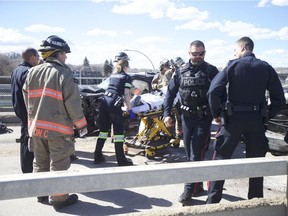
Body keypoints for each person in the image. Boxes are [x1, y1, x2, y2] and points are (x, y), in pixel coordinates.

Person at [206, 36, 286, 204]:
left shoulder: (232, 65)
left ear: (242, 48)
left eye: (235, 50)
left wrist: (217, 114)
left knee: (221, 159)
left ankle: (212, 203)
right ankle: (255, 203)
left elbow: (213, 91)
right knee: (256, 163)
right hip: (257, 121)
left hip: (232, 120)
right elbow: (279, 100)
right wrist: (266, 115)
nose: (234, 53)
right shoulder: (266, 67)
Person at [22, 35, 87, 210]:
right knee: (59, 163)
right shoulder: (63, 73)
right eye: (64, 54)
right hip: (57, 131)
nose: (66, 57)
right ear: (57, 54)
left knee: (40, 161)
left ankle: (41, 193)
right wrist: (81, 125)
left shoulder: (31, 72)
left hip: (36, 129)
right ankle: (59, 199)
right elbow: (73, 103)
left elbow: (27, 100)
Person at [163, 40, 219, 204]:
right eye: (195, 53)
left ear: (204, 53)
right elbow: (170, 94)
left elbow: (221, 93)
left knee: (195, 153)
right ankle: (197, 185)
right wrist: (167, 114)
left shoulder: (211, 70)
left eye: (201, 53)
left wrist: (219, 114)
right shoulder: (180, 72)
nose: (198, 56)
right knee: (189, 154)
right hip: (186, 118)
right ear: (189, 53)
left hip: (204, 118)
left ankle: (188, 190)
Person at [94, 58, 135, 166]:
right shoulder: (127, 77)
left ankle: (97, 156)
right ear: (125, 67)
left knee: (103, 131)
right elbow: (126, 93)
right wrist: (129, 109)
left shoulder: (113, 76)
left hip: (104, 101)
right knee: (118, 134)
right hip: (113, 104)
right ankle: (121, 161)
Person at [11, 48, 40, 173]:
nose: (39, 59)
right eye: (37, 56)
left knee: (25, 141)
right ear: (32, 57)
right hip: (28, 113)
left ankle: (26, 171)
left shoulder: (16, 70)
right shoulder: (28, 72)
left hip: (20, 111)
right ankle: (28, 172)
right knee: (29, 144)